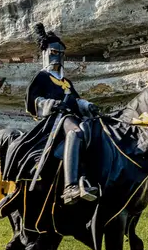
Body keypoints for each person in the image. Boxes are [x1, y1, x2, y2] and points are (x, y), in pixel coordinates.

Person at [25, 23, 99, 204]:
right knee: (75, 132)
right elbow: (32, 100)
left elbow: (76, 100)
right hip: (55, 121)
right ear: (45, 54)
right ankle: (70, 187)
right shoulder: (42, 77)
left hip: (73, 117)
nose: (56, 57)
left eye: (59, 54)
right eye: (53, 53)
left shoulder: (66, 81)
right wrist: (51, 104)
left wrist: (87, 105)